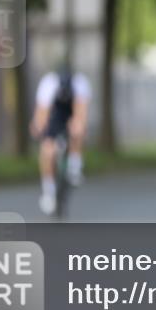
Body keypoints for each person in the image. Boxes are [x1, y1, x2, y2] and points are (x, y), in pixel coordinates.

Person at [30, 63, 91, 215]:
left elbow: (81, 113)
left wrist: (79, 126)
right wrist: (39, 128)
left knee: (77, 129)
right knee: (47, 151)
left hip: (71, 113)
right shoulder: (48, 84)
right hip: (55, 115)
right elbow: (41, 114)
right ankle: (48, 190)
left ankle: (75, 165)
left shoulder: (80, 84)